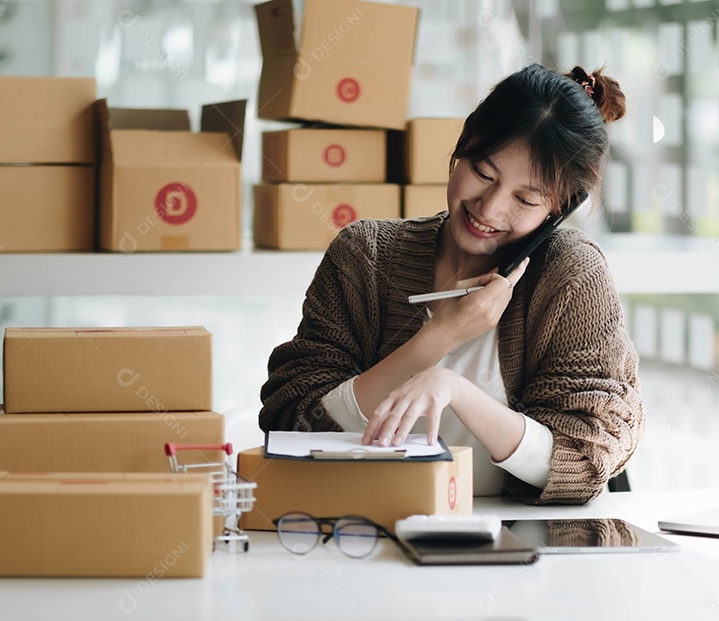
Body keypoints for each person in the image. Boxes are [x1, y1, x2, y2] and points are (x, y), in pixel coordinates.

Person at [260, 63, 644, 505]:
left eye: (526, 199)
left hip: (522, 551)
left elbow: (588, 456)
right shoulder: (365, 255)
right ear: (462, 146)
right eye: (483, 172)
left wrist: (454, 390)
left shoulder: (570, 275)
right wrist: (439, 337)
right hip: (369, 534)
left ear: (558, 210)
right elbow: (290, 424)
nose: (490, 208)